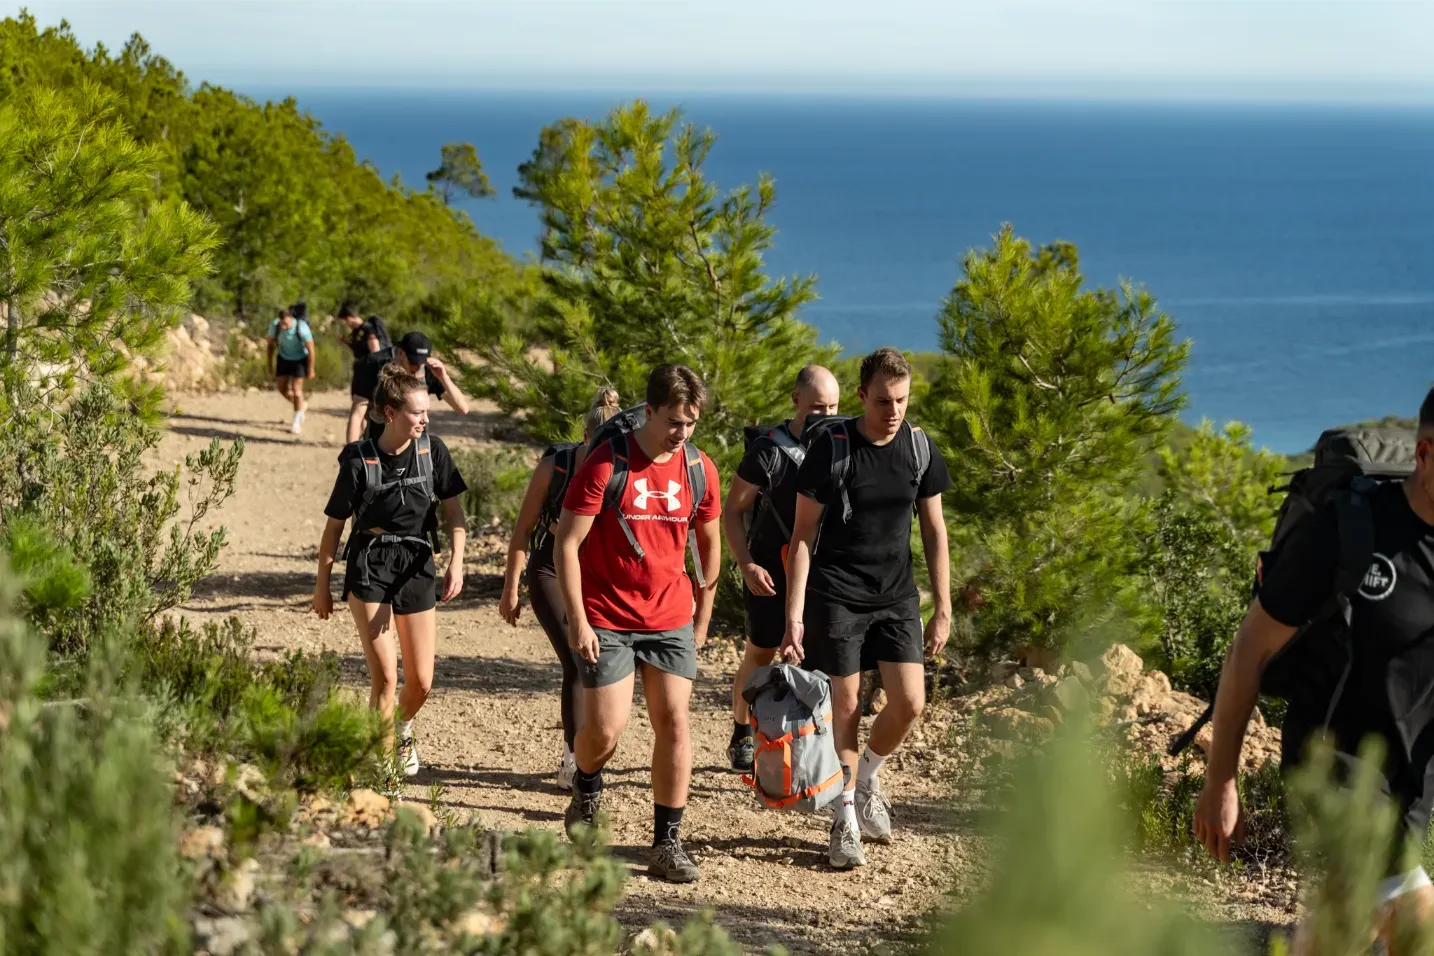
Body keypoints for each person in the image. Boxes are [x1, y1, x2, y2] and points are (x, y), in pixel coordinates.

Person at [1193, 388, 1434, 955]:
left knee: (1350, 930)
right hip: (1331, 759)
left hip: (1410, 781)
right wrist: (1220, 780)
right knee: (1416, 917)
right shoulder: (1351, 532)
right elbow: (1247, 651)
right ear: (1424, 455)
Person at [781, 347, 952, 870]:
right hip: (838, 592)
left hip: (897, 596)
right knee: (848, 707)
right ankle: (845, 819)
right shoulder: (831, 448)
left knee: (909, 703)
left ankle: (868, 776)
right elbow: (803, 533)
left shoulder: (920, 448)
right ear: (861, 396)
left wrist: (943, 605)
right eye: (883, 400)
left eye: (901, 399)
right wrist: (794, 615)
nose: (894, 410)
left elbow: (933, 529)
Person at [555, 364, 721, 884]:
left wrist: (702, 612)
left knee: (674, 721)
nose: (682, 433)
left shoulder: (699, 469)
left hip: (670, 614)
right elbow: (566, 544)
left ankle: (667, 841)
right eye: (674, 422)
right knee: (605, 729)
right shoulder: (608, 463)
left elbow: (710, 545)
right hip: (606, 614)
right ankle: (586, 784)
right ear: (648, 411)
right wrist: (579, 620)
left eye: (691, 423)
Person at [312, 365, 469, 778]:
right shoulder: (359, 461)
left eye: (425, 412)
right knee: (384, 676)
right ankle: (380, 772)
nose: (425, 419)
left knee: (421, 681)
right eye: (417, 413)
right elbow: (333, 529)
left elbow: (454, 514)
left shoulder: (433, 451)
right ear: (388, 412)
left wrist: (457, 561)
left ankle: (401, 726)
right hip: (371, 564)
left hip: (417, 562)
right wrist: (322, 586)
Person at [499, 386, 624, 792]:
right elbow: (523, 530)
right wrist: (511, 588)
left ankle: (591, 748)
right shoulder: (556, 466)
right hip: (552, 568)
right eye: (601, 445)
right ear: (587, 439)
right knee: (577, 658)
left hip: (600, 573)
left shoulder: (624, 469)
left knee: (601, 666)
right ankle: (574, 759)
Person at [722, 365, 841, 772]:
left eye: (833, 407)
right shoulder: (768, 451)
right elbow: (732, 512)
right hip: (771, 572)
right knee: (761, 652)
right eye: (817, 407)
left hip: (822, 575)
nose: (826, 416)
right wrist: (746, 564)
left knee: (818, 662)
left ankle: (804, 746)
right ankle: (741, 732)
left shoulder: (843, 445)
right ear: (796, 401)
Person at [357, 332, 471, 441]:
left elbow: (462, 409)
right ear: (401, 353)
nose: (417, 367)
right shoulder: (378, 371)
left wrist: (443, 377)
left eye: (421, 362)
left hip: (415, 450)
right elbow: (357, 414)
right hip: (379, 447)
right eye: (413, 362)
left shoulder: (427, 373)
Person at [338, 305, 389, 443]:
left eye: (344, 321)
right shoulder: (358, 331)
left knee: (359, 409)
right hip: (364, 371)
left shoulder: (368, 330)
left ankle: (354, 446)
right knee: (363, 411)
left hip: (368, 373)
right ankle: (366, 439)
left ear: (348, 318)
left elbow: (375, 352)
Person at [265, 307, 314, 434]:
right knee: (281, 388)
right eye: (282, 324)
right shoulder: (275, 326)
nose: (284, 327)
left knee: (297, 390)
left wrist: (311, 369)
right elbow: (270, 346)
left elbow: (311, 350)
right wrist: (269, 365)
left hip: (300, 360)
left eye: (286, 324)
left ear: (291, 319)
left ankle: (297, 420)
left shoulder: (301, 328)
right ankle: (301, 405)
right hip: (283, 358)